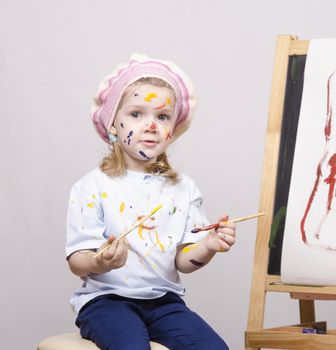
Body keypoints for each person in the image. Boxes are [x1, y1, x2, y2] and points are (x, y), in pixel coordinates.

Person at [65, 54, 234, 350]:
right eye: (136, 114)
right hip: (105, 301)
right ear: (113, 124)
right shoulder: (91, 186)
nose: (151, 125)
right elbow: (77, 263)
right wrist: (99, 261)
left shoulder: (184, 188)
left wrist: (208, 246)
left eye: (162, 116)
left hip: (163, 302)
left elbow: (183, 260)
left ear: (172, 131)